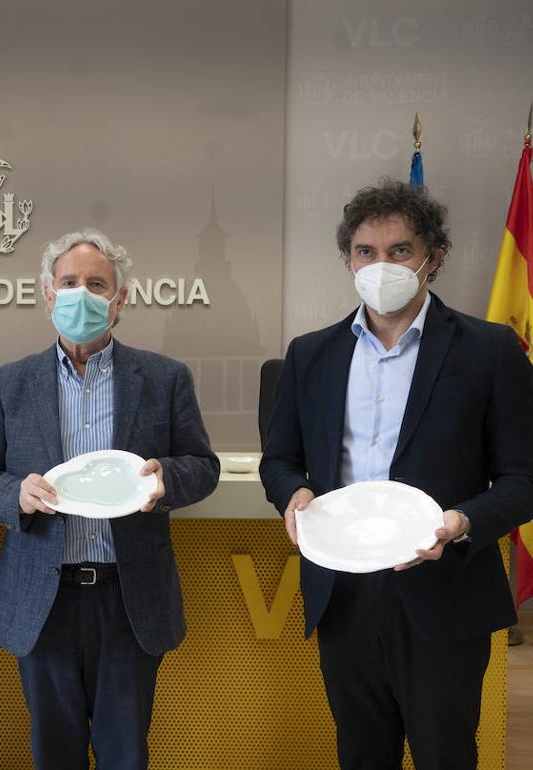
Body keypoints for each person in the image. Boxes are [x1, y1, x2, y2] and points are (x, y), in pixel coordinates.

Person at [259, 179, 533, 770]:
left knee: (445, 754)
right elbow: (279, 460)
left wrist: (461, 522)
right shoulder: (311, 354)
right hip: (344, 589)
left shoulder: (489, 351)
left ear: (432, 258)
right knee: (361, 755)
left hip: (444, 589)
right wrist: (295, 493)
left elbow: (523, 477)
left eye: (399, 251)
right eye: (365, 252)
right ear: (349, 260)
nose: (380, 266)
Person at [0, 229, 218, 770]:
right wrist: (18, 494)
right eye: (69, 282)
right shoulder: (9, 383)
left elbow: (203, 467)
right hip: (43, 597)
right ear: (48, 296)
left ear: (119, 299)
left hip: (129, 595)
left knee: (125, 752)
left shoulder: (164, 378)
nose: (82, 293)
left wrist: (166, 478)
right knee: (54, 752)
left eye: (96, 284)